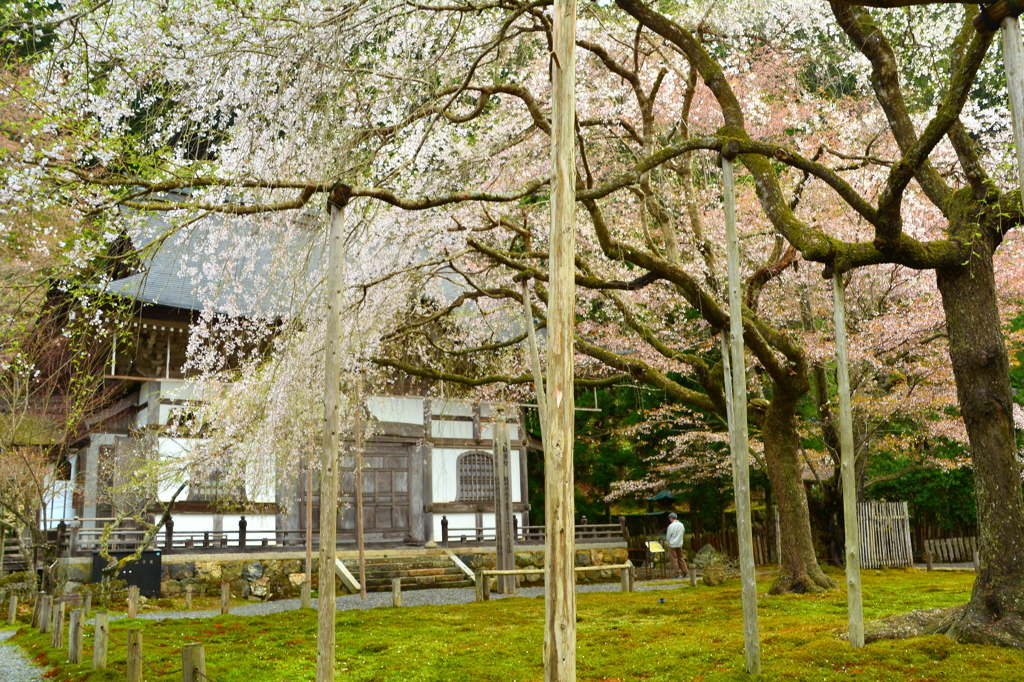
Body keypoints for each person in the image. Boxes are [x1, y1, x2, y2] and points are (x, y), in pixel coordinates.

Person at [666, 512, 689, 579]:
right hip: (680, 543)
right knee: (681, 558)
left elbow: (668, 536)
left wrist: (669, 542)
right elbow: (683, 532)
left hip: (673, 544)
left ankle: (677, 574)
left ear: (671, 518)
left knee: (674, 559)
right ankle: (685, 572)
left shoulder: (671, 526)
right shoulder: (681, 525)